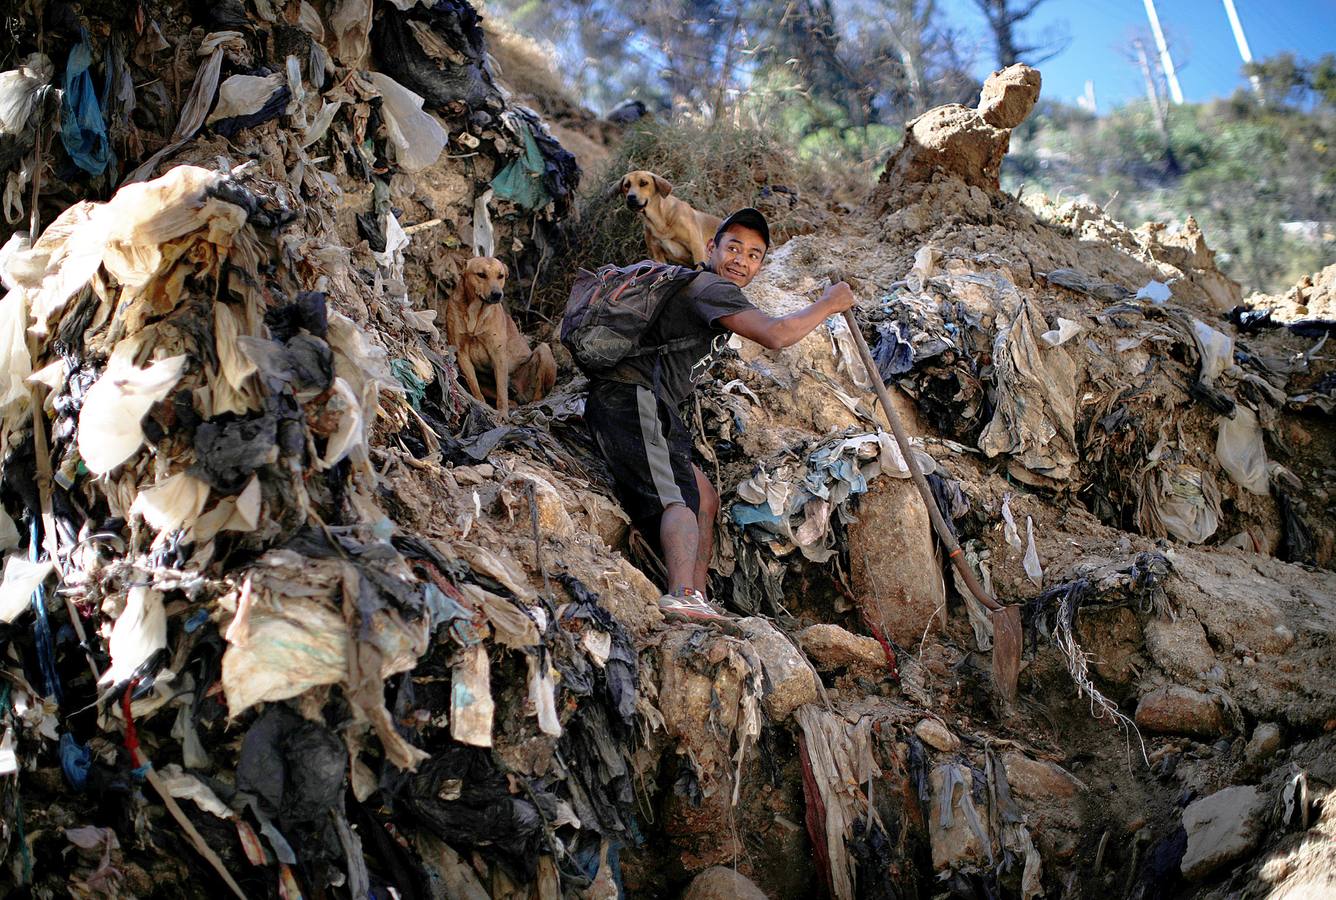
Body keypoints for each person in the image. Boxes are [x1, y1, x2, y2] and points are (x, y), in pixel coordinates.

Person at [584, 208, 856, 626]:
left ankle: (699, 597)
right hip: (631, 398)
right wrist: (829, 304)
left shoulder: (709, 290)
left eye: (753, 255)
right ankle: (682, 595)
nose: (741, 260)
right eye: (733, 248)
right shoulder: (710, 287)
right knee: (678, 498)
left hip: (651, 405)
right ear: (711, 247)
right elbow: (775, 335)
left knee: (705, 497)